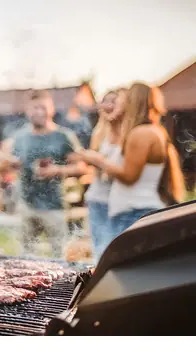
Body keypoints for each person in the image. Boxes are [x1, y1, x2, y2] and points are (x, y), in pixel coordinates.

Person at [73, 83, 186, 237]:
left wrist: (98, 160)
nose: (118, 103)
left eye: (120, 99)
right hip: (135, 210)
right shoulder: (152, 130)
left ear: (133, 101)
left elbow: (129, 176)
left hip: (133, 212)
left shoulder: (140, 133)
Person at [0, 90, 88, 258]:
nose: (38, 112)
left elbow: (82, 167)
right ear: (27, 110)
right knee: (26, 258)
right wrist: (8, 163)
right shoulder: (19, 137)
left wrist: (57, 170)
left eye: (42, 107)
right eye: (34, 108)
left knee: (59, 257)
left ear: (51, 109)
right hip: (26, 206)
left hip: (55, 206)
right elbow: (2, 168)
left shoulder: (64, 136)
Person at [80, 88, 127, 261]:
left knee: (118, 251)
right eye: (105, 101)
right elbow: (94, 167)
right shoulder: (99, 133)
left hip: (120, 202)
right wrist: (89, 159)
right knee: (99, 251)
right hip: (97, 199)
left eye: (113, 101)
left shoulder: (131, 135)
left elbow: (128, 172)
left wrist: (99, 160)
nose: (108, 105)